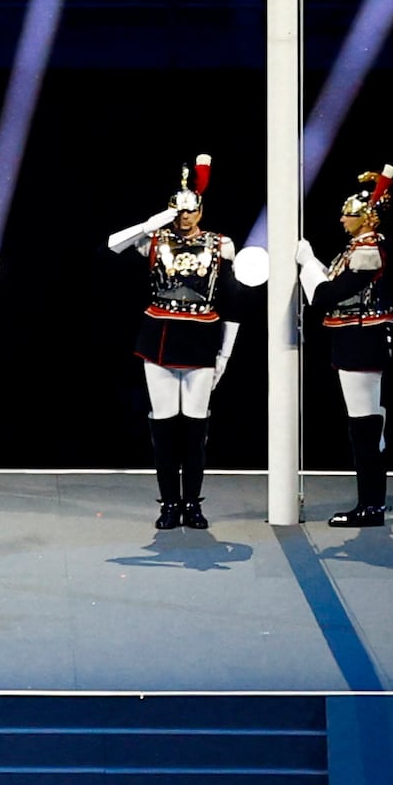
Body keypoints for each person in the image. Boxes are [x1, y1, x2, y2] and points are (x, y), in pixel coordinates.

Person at [102, 155, 237, 531]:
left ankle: (192, 502)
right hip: (159, 336)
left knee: (195, 429)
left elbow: (234, 299)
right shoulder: (154, 241)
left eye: (190, 211)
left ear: (201, 210)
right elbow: (113, 245)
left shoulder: (220, 244)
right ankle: (168, 503)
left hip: (201, 336)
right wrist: (150, 223)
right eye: (177, 211)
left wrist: (225, 353)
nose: (184, 217)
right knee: (163, 427)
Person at [299, 163, 393, 526]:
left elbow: (326, 295)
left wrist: (307, 263)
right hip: (352, 340)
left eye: (350, 214)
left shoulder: (367, 251)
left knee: (363, 427)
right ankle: (371, 502)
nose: (343, 219)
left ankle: (370, 506)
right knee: (365, 425)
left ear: (368, 218)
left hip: (361, 341)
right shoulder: (354, 247)